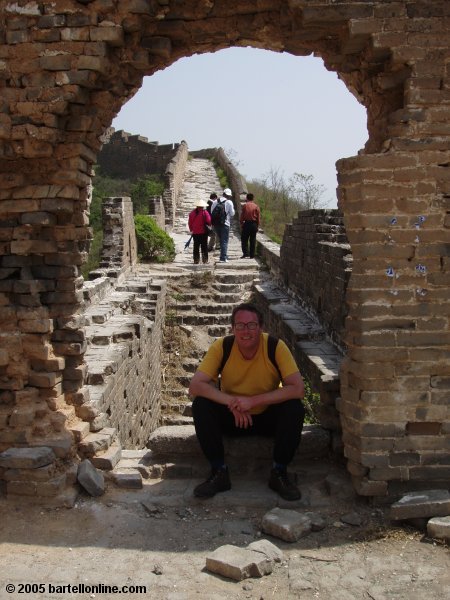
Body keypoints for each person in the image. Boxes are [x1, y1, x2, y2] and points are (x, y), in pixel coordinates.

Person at [189, 303, 305, 501]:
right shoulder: (222, 346)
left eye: (251, 325)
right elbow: (196, 386)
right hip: (233, 417)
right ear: (232, 329)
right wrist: (233, 403)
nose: (246, 331)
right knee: (201, 405)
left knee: (294, 408)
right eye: (240, 326)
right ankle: (219, 472)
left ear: (260, 327)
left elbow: (297, 388)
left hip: (266, 417)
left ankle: (279, 472)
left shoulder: (275, 347)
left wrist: (252, 402)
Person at [210, 188, 235, 263]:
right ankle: (223, 258)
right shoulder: (229, 202)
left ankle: (223, 255)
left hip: (216, 224)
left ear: (223, 193)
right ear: (229, 196)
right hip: (225, 224)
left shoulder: (215, 201)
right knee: (224, 241)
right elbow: (232, 213)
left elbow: (211, 212)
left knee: (221, 240)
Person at [188, 199, 212, 264]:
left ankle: (196, 260)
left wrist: (191, 230)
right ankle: (205, 260)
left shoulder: (192, 213)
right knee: (204, 246)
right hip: (203, 232)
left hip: (195, 233)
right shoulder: (205, 212)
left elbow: (190, 223)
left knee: (196, 246)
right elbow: (209, 221)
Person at [240, 192, 261, 258]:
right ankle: (252, 255)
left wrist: (241, 223)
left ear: (247, 198)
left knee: (244, 239)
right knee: (253, 240)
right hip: (254, 224)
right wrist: (257, 225)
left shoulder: (245, 206)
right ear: (253, 198)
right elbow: (258, 218)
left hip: (247, 224)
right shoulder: (256, 206)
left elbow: (242, 216)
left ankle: (245, 253)